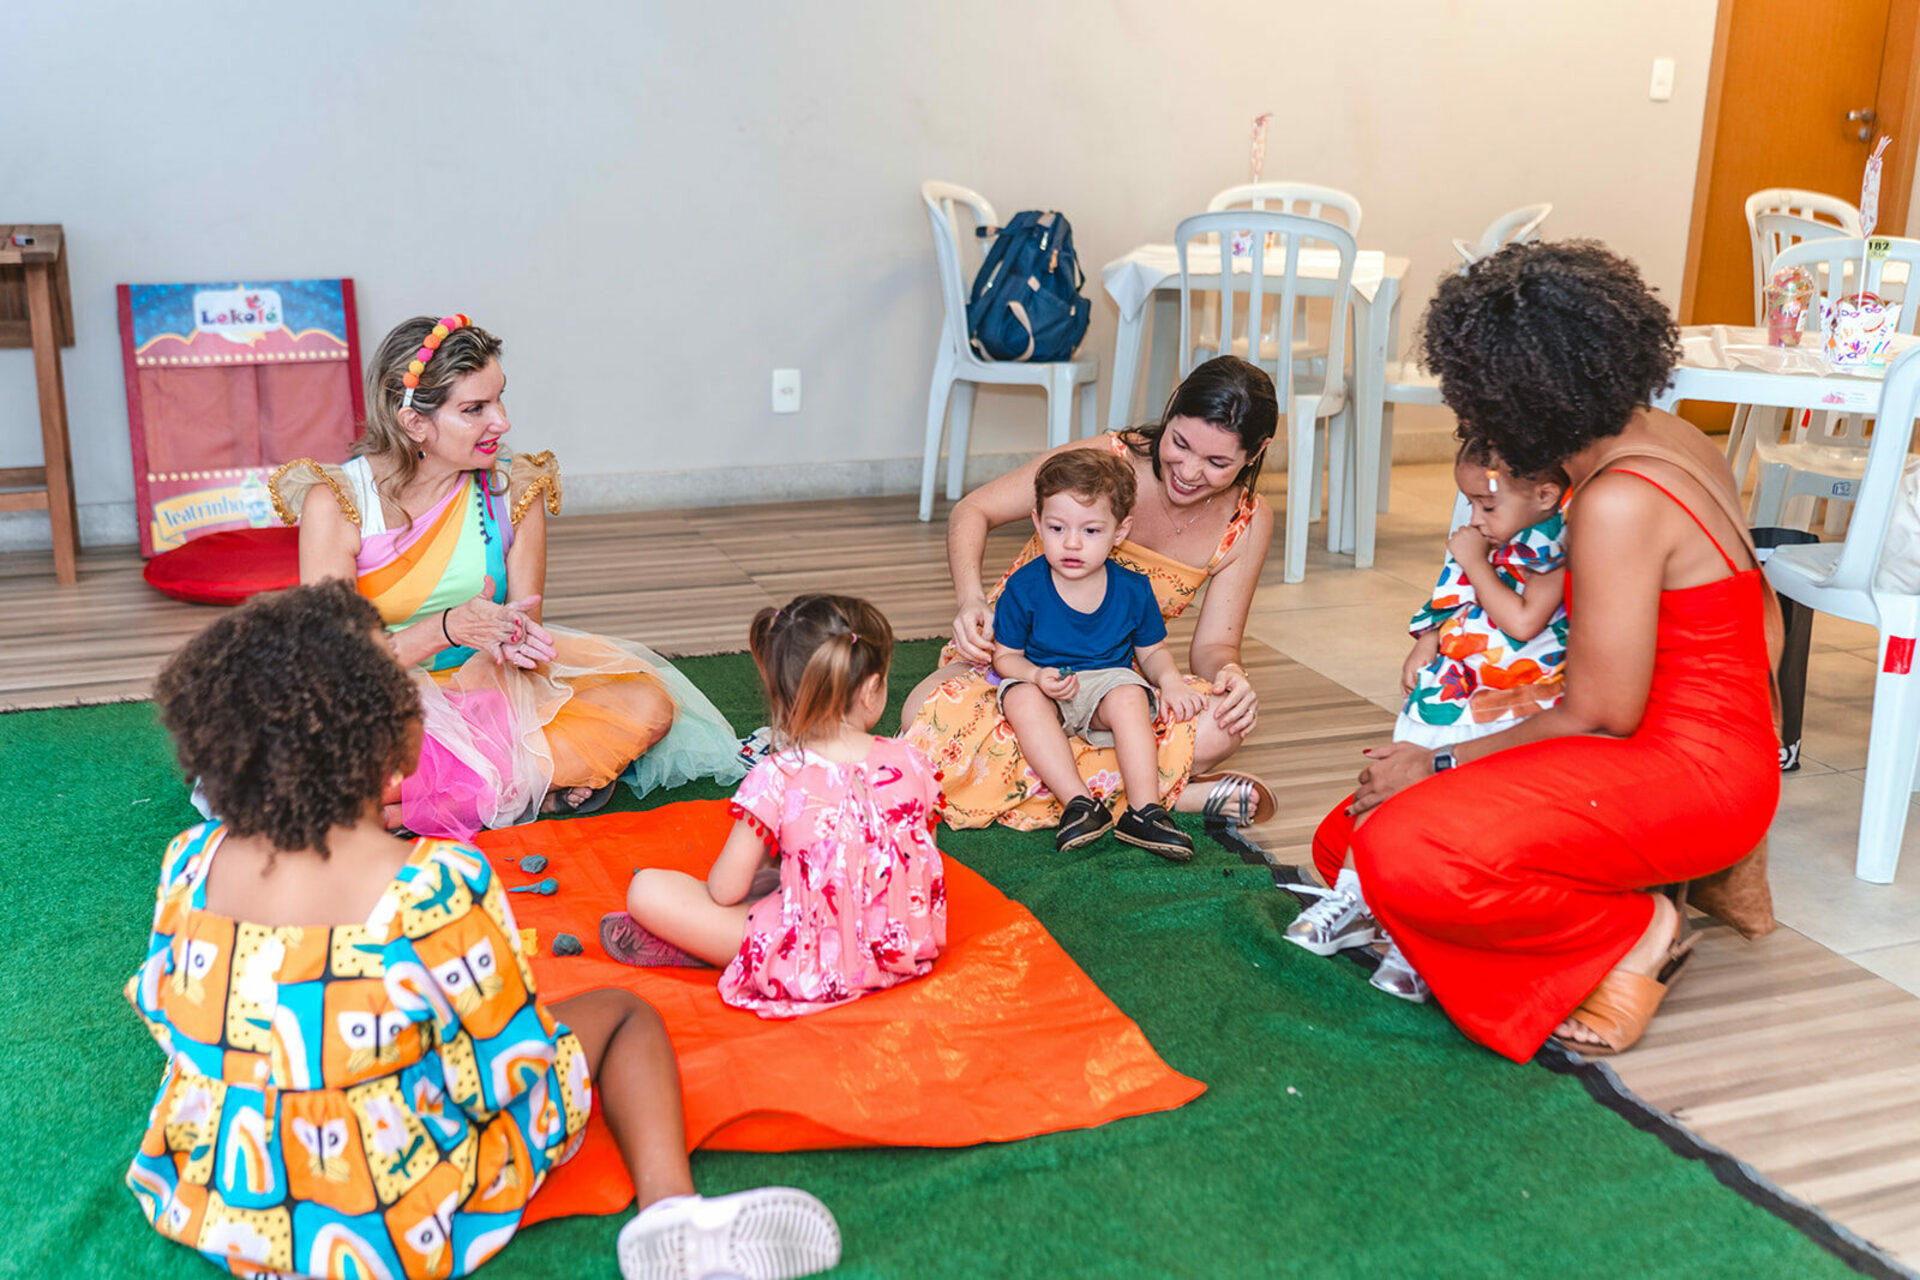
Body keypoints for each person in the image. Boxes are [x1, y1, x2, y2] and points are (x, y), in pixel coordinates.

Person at [129, 581, 840, 1280]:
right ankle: (670, 1212)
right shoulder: (432, 882)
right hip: (387, 1216)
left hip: (234, 1195)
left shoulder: (191, 860)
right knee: (623, 1015)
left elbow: (173, 1010)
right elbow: (503, 1062)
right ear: (387, 735)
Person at [1306, 241, 1781, 1060]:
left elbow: (1600, 714)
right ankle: (1588, 882)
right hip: (1681, 752)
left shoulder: (1616, 500)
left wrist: (1438, 762)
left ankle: (1633, 928)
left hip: (1689, 771)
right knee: (1343, 837)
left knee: (1397, 848)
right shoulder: (1666, 435)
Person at [272, 314, 743, 840]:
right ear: (414, 423)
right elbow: (338, 665)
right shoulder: (338, 502)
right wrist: (447, 628)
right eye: (475, 409)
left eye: (499, 399)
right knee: (319, 763)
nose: (502, 422)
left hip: (489, 693)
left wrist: (500, 661)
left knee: (647, 707)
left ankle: (411, 812)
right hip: (376, 700)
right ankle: (516, 788)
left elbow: (525, 629)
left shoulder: (512, 487)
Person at [904, 355, 1279, 837]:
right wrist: (971, 600)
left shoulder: (1246, 521)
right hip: (1011, 664)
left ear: (1255, 452)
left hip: (1116, 684)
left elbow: (1214, 647)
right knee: (925, 717)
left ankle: (1076, 787)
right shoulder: (1103, 463)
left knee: (1223, 725)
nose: (1188, 471)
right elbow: (973, 510)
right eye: (1180, 444)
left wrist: (1230, 675)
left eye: (1217, 463)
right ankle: (1168, 793)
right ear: (1170, 408)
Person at [1287, 443, 1569, 1002]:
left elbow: (1522, 622)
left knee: (1451, 814)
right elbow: (1452, 598)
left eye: (1486, 505)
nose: (1475, 518)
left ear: (1544, 496)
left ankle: (1423, 936)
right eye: (1470, 503)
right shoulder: (1487, 535)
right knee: (1388, 783)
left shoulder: (1552, 548)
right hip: (1449, 690)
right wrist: (1427, 641)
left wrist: (1474, 561)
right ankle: (1353, 899)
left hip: (1505, 704)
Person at [603, 594, 948, 1018]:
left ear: (783, 695)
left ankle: (710, 950)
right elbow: (922, 858)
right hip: (902, 949)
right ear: (871, 689)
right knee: (778, 875)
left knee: (647, 889)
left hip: (806, 964)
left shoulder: (778, 775)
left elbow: (724, 891)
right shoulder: (914, 761)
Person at [992, 450, 1208, 858]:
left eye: (1091, 531)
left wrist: (1171, 680)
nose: (1072, 543)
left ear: (1120, 531)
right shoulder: (1023, 587)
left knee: (1130, 695)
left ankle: (1145, 811)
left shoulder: (1133, 589)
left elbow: (1152, 651)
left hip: (1106, 686)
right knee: (1018, 696)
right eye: (1057, 528)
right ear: (1037, 522)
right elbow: (1005, 657)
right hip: (1044, 682)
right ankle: (1080, 804)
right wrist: (1035, 676)